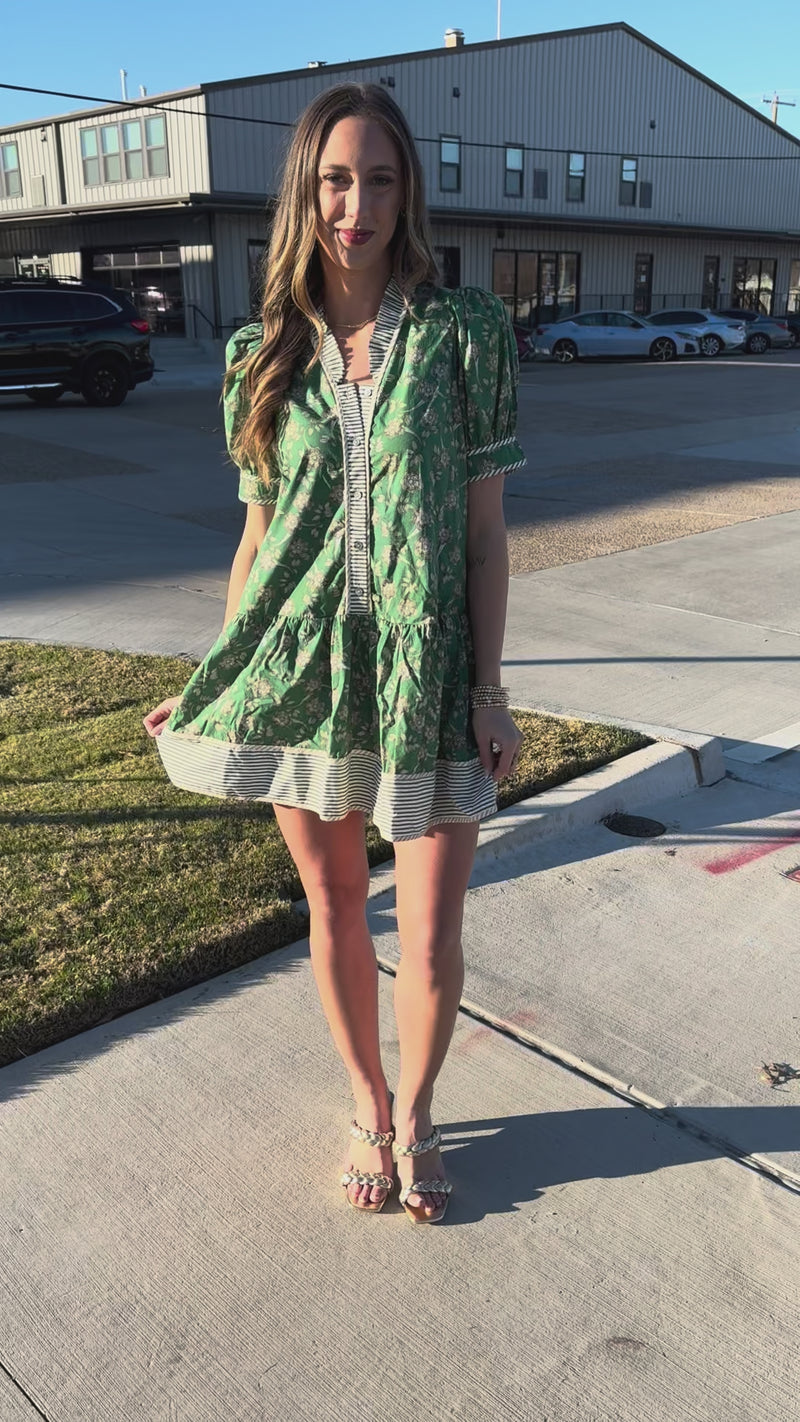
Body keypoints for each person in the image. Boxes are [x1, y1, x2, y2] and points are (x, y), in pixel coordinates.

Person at [143, 82, 526, 1224]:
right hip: (298, 675)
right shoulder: (260, 353)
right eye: (335, 180)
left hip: (428, 673)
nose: (356, 205)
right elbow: (258, 538)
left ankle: (417, 1113)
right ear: (305, 194)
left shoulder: (465, 336)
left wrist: (490, 691)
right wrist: (221, 680)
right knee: (331, 904)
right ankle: (364, 1102)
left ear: (409, 193)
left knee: (432, 925)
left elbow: (487, 535)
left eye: (381, 178)